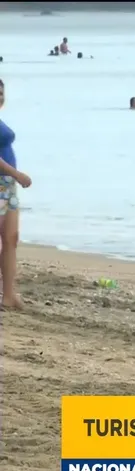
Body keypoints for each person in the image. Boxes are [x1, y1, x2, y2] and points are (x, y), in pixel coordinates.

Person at [0, 79, 33, 310]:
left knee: (11, 238)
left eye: (1, 93)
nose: (0, 96)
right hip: (3, 182)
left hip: (8, 186)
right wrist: (17, 174)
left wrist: (13, 178)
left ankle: (9, 295)